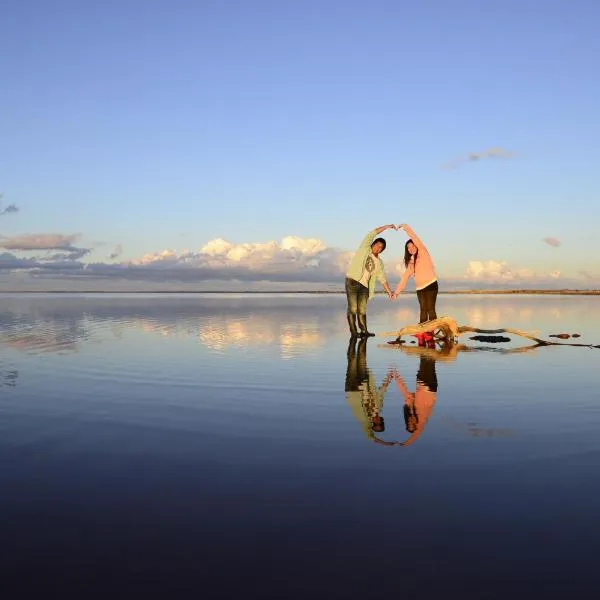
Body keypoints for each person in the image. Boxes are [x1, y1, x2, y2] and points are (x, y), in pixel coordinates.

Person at [345, 224, 395, 337]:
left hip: (365, 287)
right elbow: (372, 233)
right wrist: (387, 227)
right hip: (352, 281)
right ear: (373, 244)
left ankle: (364, 331)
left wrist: (389, 292)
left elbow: (382, 279)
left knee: (362, 310)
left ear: (382, 250)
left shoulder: (379, 263)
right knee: (353, 308)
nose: (378, 248)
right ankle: (354, 332)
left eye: (381, 247)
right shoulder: (365, 248)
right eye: (377, 245)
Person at [393, 223, 439, 340]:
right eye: (408, 247)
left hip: (431, 284)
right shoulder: (411, 262)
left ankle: (431, 333)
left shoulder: (423, 252)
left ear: (416, 246)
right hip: (420, 288)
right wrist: (397, 292)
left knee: (430, 309)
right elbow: (405, 277)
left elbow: (415, 238)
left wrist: (405, 228)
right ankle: (422, 332)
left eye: (412, 246)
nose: (411, 248)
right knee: (423, 310)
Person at [344, 336, 394, 441]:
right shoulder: (379, 407)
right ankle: (361, 337)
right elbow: (381, 392)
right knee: (362, 358)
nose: (376, 421)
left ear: (372, 424)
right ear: (381, 420)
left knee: (352, 360)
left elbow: (370, 437)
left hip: (353, 389)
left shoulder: (365, 419)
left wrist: (385, 443)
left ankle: (352, 339)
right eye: (379, 422)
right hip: (364, 381)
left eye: (375, 424)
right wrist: (388, 379)